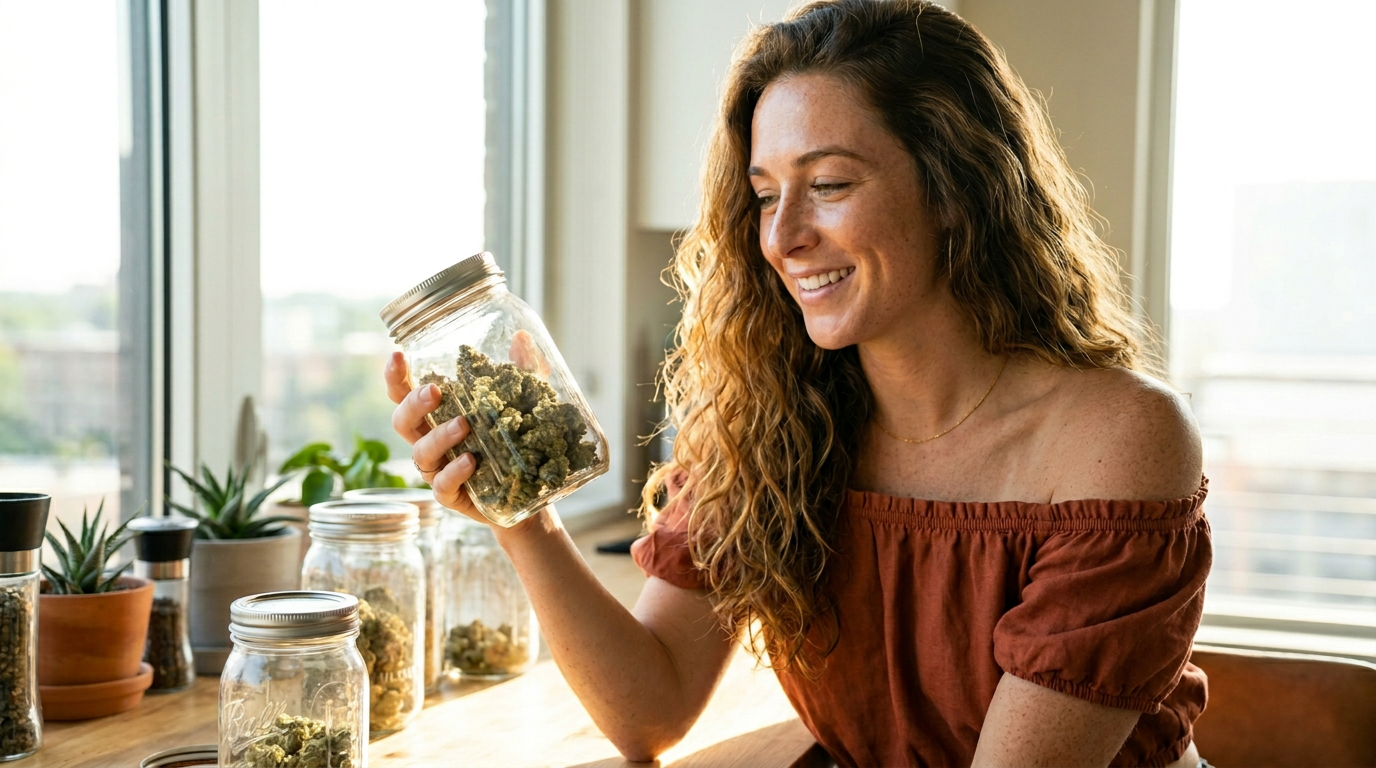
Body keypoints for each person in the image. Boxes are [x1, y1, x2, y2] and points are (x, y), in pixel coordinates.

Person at [386, 1, 1211, 765]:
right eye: (765, 194)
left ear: (958, 188)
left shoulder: (1120, 439)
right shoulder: (769, 422)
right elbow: (649, 709)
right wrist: (521, 515)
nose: (782, 237)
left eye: (829, 185)